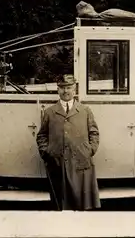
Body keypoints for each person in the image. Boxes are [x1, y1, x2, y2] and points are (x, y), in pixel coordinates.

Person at [36, 74, 101, 211]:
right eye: (62, 88)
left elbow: (94, 133)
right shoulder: (49, 112)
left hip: (80, 163)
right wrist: (47, 152)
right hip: (57, 163)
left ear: (75, 89)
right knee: (60, 204)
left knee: (81, 203)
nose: (66, 91)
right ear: (58, 90)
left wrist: (89, 150)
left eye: (69, 87)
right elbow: (42, 135)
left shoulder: (85, 111)